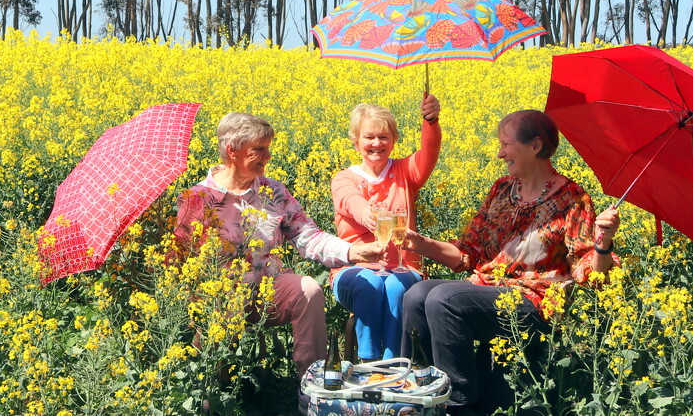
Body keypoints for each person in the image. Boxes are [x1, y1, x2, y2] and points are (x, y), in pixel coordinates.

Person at [399, 109, 620, 414]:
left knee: (443, 298)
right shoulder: (502, 190)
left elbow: (589, 273)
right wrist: (417, 241)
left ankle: (457, 405)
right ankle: (415, 394)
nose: (500, 153)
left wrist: (603, 243)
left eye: (506, 144)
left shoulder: (572, 199)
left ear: (536, 146)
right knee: (416, 295)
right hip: (486, 290)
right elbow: (468, 254)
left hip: (534, 301)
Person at [173, 112, 383, 380]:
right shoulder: (198, 198)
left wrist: (353, 252)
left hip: (268, 290)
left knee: (308, 289)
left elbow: (309, 236)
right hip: (219, 297)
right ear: (232, 150)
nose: (267, 156)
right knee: (217, 346)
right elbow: (177, 256)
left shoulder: (274, 191)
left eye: (268, 148)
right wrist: (194, 302)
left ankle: (312, 383)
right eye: (258, 150)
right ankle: (218, 394)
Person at [330, 93, 441, 360]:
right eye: (369, 137)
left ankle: (392, 363)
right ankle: (369, 362)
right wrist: (366, 212)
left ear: (394, 140)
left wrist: (431, 121)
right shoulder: (344, 178)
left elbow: (429, 151)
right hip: (354, 271)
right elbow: (349, 200)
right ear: (356, 141)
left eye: (384, 137)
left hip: (404, 266)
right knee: (370, 282)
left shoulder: (406, 172)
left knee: (393, 286)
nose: (376, 143)